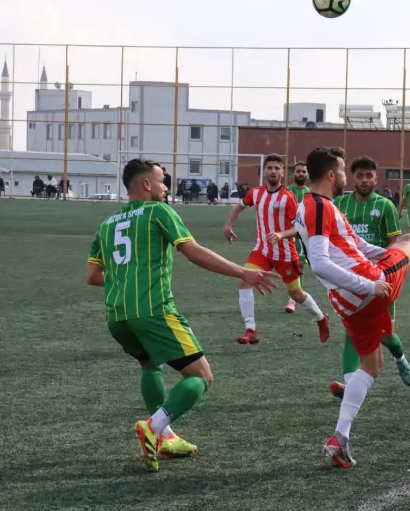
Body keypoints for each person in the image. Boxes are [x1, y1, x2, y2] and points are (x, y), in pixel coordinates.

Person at [85, 159, 279, 471]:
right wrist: (243, 271)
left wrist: (126, 276)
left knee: (150, 364)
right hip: (152, 309)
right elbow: (193, 252)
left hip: (117, 315)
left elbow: (93, 276)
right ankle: (154, 426)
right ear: (146, 184)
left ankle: (166, 438)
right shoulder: (158, 211)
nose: (165, 188)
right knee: (201, 376)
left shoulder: (105, 226)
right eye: (162, 181)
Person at [294, 146, 410, 468]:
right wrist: (370, 285)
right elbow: (319, 263)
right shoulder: (319, 207)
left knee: (372, 365)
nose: (345, 177)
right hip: (366, 289)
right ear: (331, 175)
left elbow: (351, 246)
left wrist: (384, 251)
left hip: (349, 302)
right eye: (342, 171)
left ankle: (340, 438)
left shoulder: (315, 205)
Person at [272, 157, 410, 396]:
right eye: (359, 175)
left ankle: (400, 358)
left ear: (376, 179)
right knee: (352, 331)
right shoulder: (338, 204)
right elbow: (317, 232)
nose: (364, 180)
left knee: (387, 336)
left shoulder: (386, 206)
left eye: (369, 176)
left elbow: (391, 245)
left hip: (380, 276)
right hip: (352, 282)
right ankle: (349, 384)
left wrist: (402, 256)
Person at [223, 153, 330, 345]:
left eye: (277, 168)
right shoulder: (255, 193)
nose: (273, 171)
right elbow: (239, 206)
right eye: (269, 167)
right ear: (264, 171)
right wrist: (228, 225)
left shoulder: (288, 198)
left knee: (296, 294)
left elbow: (299, 228)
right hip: (262, 250)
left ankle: (321, 319)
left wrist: (281, 234)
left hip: (285, 254)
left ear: (282, 173)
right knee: (244, 281)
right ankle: (251, 330)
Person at [285, 161, 311, 314]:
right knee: (287, 268)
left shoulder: (310, 193)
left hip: (302, 237)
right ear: (293, 174)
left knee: (298, 266)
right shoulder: (286, 191)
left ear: (307, 175)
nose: (301, 174)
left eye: (303, 171)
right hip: (286, 235)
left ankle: (292, 300)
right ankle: (293, 294)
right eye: (298, 171)